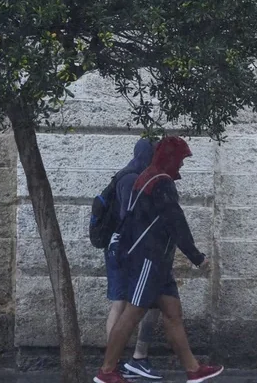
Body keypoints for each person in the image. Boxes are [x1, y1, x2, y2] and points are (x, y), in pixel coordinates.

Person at [95, 136, 224, 383]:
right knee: (132, 314)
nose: (183, 166)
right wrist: (197, 257)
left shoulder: (148, 178)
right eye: (181, 160)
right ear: (170, 158)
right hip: (149, 260)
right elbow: (176, 223)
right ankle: (107, 371)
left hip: (156, 262)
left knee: (173, 313)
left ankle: (193, 370)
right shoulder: (161, 182)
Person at [104, 138, 164, 380]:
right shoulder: (131, 179)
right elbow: (131, 218)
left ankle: (129, 360)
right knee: (122, 303)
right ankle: (115, 364)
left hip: (127, 248)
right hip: (125, 250)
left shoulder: (134, 176)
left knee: (145, 303)